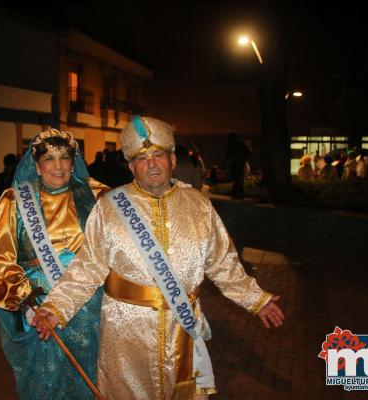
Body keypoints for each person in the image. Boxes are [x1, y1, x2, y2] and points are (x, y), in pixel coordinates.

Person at [33, 116, 284, 400]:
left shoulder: (200, 206)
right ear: (131, 167)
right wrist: (57, 308)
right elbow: (88, 267)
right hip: (125, 336)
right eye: (142, 158)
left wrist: (256, 299)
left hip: (183, 326)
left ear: (172, 160)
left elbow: (223, 263)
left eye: (158, 155)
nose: (151, 164)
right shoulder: (109, 208)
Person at [0, 129, 109, 400]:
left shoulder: (98, 195)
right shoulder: (13, 202)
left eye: (65, 157)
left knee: (88, 378)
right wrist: (26, 300)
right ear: (37, 165)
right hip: (40, 306)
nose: (58, 166)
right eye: (49, 158)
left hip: (89, 306)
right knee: (45, 381)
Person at [225, 132, 250, 198]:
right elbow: (247, 152)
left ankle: (236, 193)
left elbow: (228, 153)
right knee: (239, 179)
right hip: (240, 163)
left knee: (236, 179)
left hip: (236, 163)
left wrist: (226, 161)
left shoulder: (232, 144)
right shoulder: (242, 144)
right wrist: (244, 159)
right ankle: (240, 193)